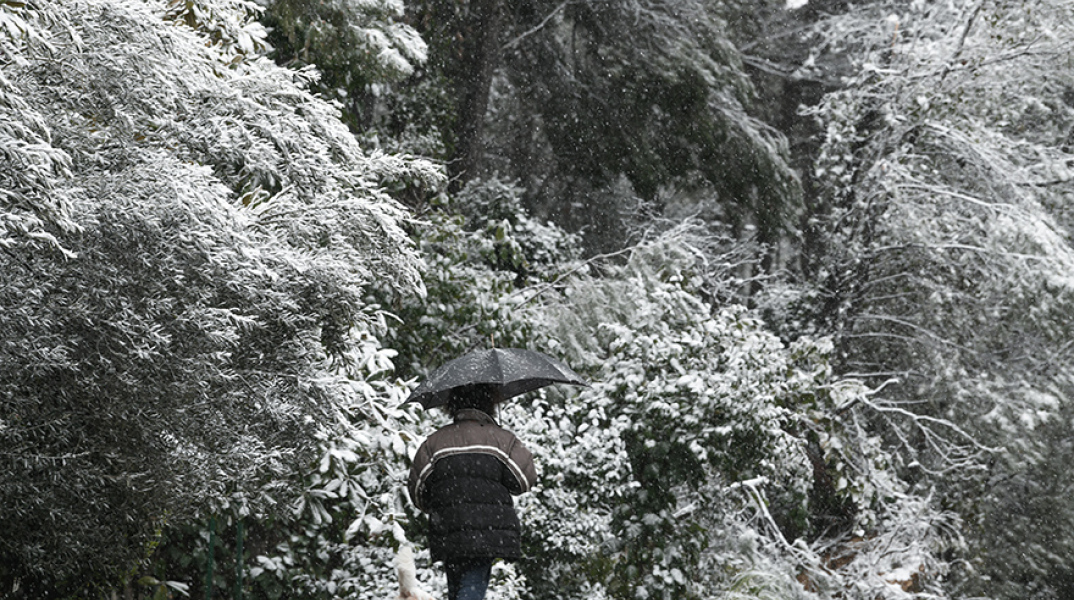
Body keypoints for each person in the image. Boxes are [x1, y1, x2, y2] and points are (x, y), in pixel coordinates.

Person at [407, 384, 537, 600]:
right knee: (472, 586)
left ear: (452, 404)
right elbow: (524, 481)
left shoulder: (434, 443)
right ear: (489, 403)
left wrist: (441, 504)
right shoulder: (502, 440)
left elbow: (418, 492)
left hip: (447, 529)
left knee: (458, 588)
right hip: (487, 530)